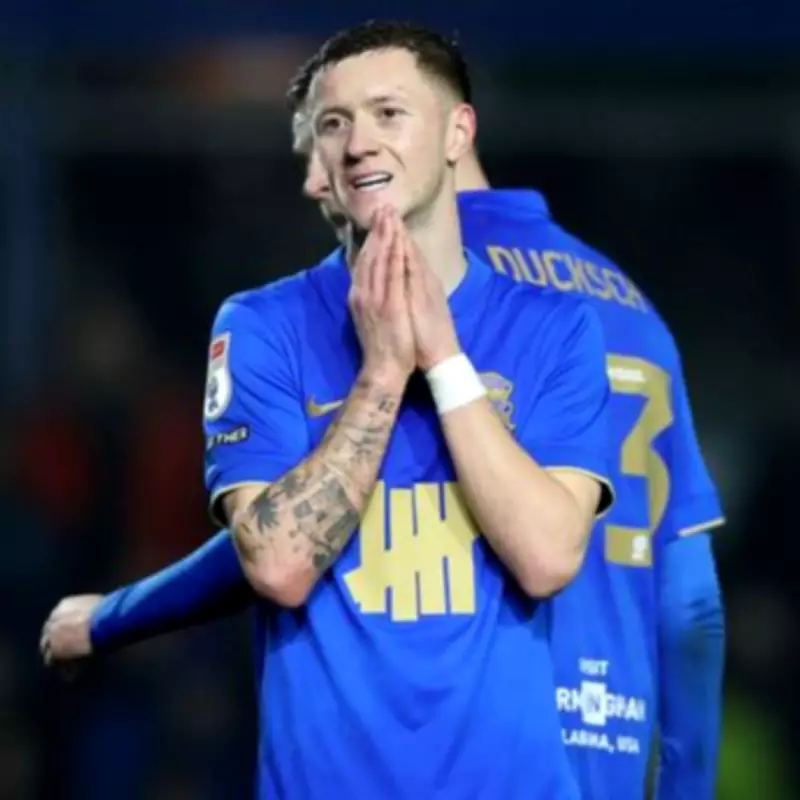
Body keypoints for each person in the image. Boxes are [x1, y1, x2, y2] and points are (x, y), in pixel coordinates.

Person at [43, 18, 724, 800]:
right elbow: (273, 559)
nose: (355, 145)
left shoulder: (557, 324)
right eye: (333, 126)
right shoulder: (263, 325)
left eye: (389, 113)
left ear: (458, 132)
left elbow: (549, 557)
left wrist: (445, 362)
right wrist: (383, 373)